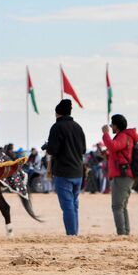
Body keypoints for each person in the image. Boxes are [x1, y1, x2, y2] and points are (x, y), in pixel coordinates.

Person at [46, 99, 86, 236]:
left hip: (63, 172)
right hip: (78, 172)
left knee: (67, 205)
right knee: (74, 204)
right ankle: (74, 232)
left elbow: (52, 150)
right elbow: (84, 149)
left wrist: (48, 146)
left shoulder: (56, 127)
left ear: (58, 113)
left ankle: (71, 233)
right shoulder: (78, 127)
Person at [101, 114, 138, 235]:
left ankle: (122, 233)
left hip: (122, 176)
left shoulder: (123, 136)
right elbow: (117, 152)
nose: (111, 127)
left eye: (112, 125)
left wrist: (105, 134)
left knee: (117, 206)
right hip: (124, 175)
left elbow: (113, 146)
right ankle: (125, 233)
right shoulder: (126, 137)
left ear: (116, 126)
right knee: (122, 206)